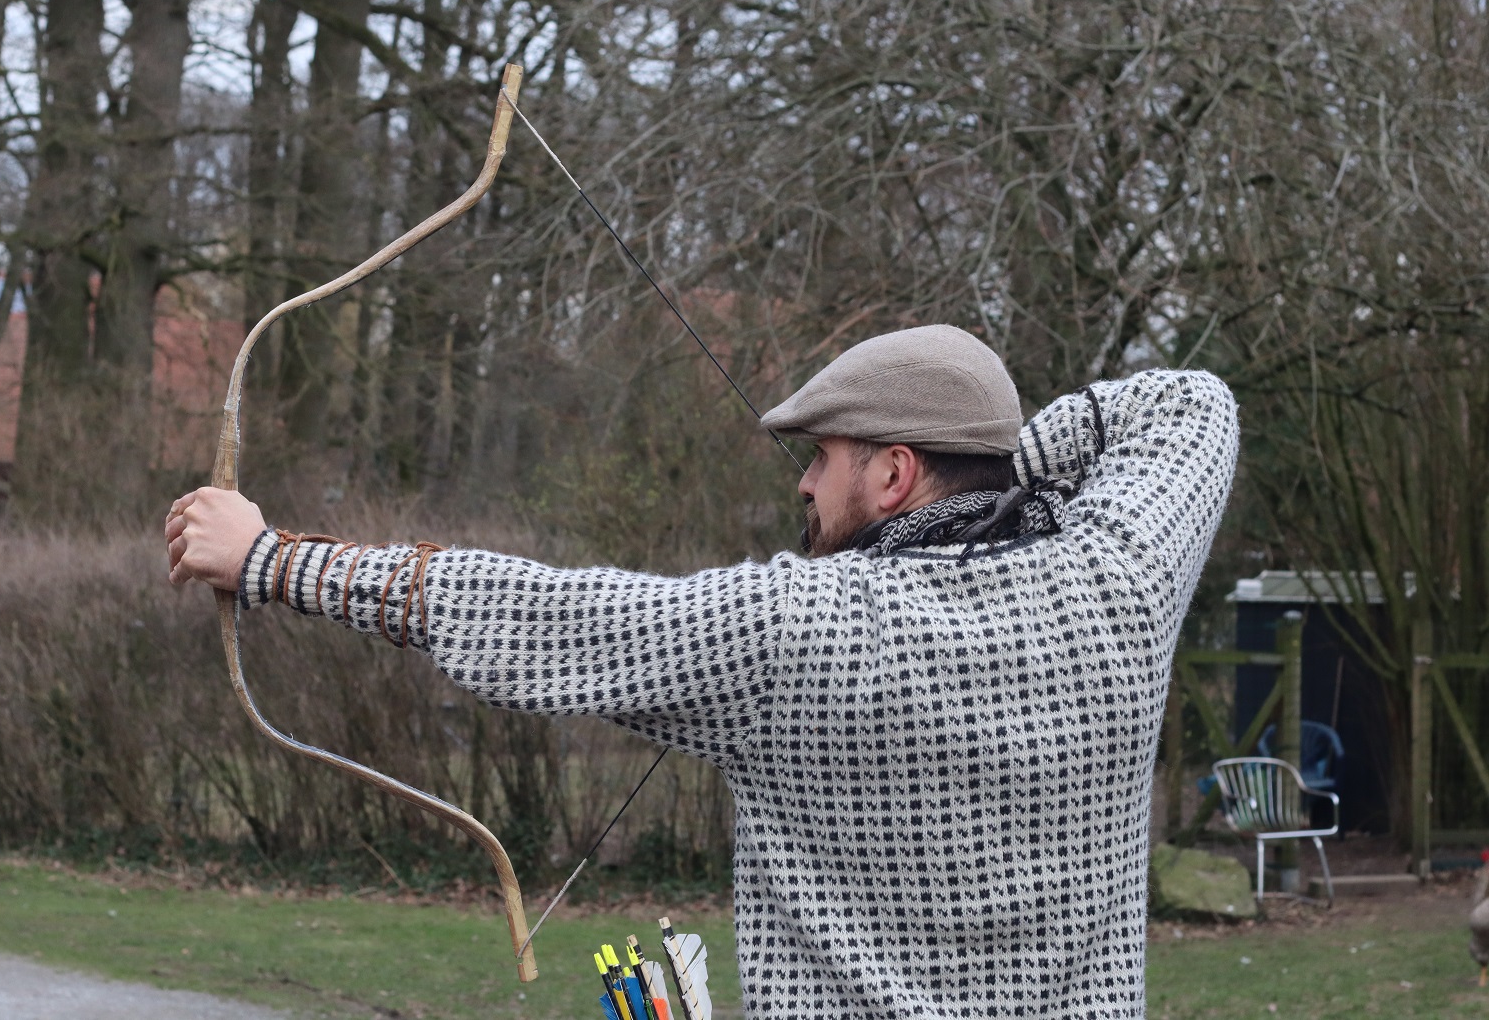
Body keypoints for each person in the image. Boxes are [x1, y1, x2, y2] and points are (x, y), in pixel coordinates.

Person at [166, 324, 1238, 1018]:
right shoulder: (1116, 584)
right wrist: (1002, 468)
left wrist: (272, 560)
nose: (803, 486)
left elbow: (537, 617)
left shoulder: (798, 626)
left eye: (822, 457)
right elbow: (1192, 405)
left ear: (895, 472)